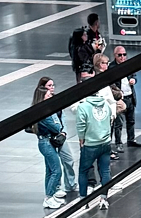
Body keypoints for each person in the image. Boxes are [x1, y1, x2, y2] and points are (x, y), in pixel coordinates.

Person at [70, 71, 116, 194]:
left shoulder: (83, 106)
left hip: (90, 144)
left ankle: (83, 199)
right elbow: (109, 120)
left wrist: (81, 139)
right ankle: (104, 197)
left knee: (83, 171)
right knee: (105, 171)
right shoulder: (105, 104)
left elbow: (81, 126)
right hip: (105, 143)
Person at [33, 77, 75, 208]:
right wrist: (59, 126)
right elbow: (56, 126)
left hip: (46, 142)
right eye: (47, 94)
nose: (50, 95)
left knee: (50, 170)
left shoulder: (41, 110)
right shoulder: (43, 112)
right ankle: (49, 197)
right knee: (56, 170)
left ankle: (49, 195)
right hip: (46, 142)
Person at [108, 43, 141, 150]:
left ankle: (131, 139)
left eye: (124, 54)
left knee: (131, 120)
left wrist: (134, 80)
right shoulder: (112, 68)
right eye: (120, 55)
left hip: (129, 96)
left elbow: (134, 75)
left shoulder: (128, 64)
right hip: (119, 98)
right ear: (115, 56)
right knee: (118, 123)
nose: (123, 57)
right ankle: (118, 143)